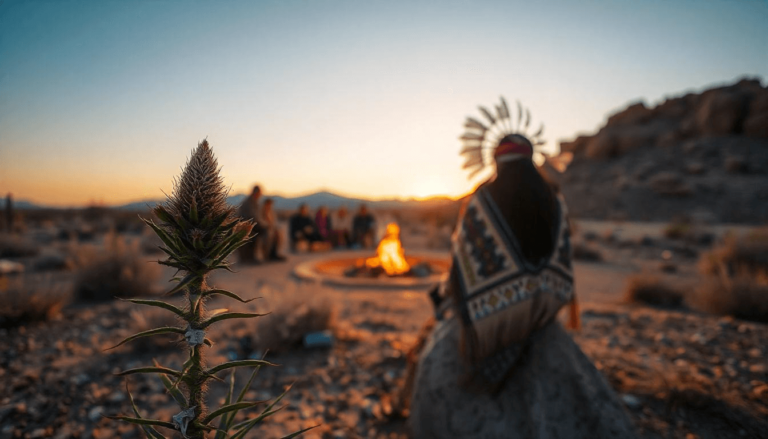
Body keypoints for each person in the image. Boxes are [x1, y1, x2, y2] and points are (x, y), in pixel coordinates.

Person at [407, 98, 637, 438]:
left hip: (490, 327)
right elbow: (561, 262)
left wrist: (455, 302)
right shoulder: (553, 198)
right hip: (544, 316)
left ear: (496, 159)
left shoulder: (483, 199)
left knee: (436, 366)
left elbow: (463, 268)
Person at [237, 185, 265, 263]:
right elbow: (251, 217)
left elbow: (257, 217)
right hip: (245, 225)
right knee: (256, 234)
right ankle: (249, 257)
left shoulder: (254, 202)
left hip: (251, 224)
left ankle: (265, 255)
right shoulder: (248, 202)